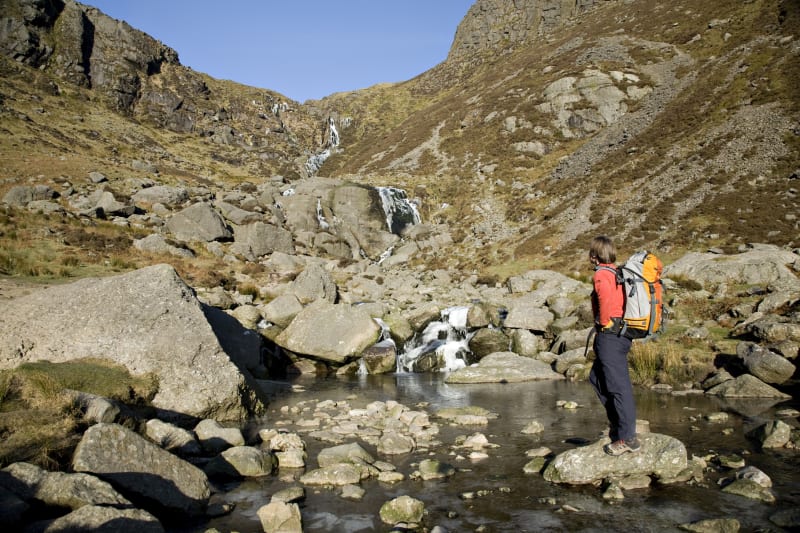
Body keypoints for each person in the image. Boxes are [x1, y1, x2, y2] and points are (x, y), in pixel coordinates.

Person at [588, 235, 640, 455]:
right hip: (620, 335)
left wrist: (603, 325)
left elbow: (607, 304)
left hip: (610, 336)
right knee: (596, 378)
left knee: (618, 386)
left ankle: (627, 438)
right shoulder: (616, 271)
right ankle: (618, 426)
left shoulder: (601, 275)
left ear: (594, 255)